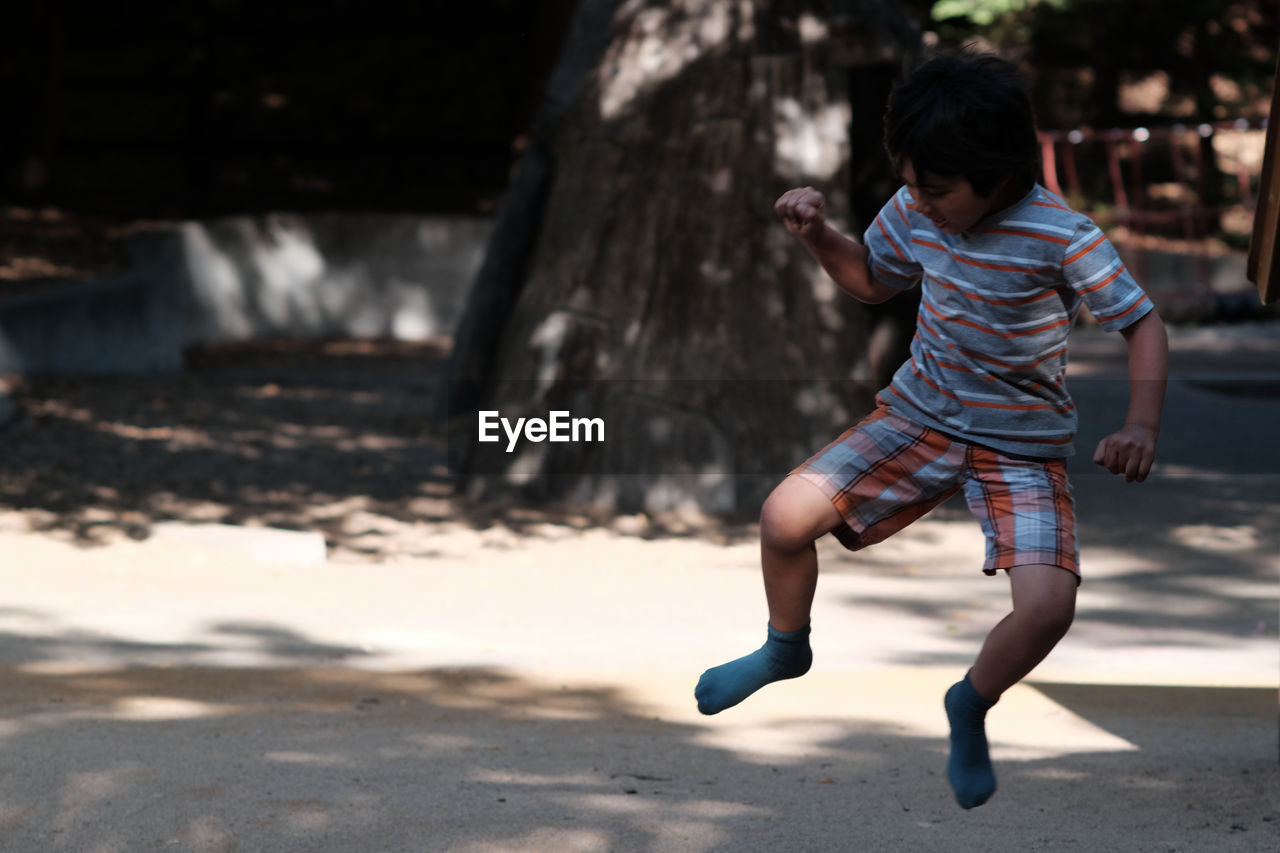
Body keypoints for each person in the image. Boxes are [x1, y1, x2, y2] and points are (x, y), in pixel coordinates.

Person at [693, 52, 1169, 810]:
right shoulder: (919, 206)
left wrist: (1139, 423)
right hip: (920, 415)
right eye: (911, 182)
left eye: (937, 188)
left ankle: (972, 699)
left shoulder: (1064, 236)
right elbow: (874, 279)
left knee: (1048, 607)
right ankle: (786, 648)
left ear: (1001, 171)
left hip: (1021, 443)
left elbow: (1141, 325)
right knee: (784, 516)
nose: (919, 199)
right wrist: (819, 235)